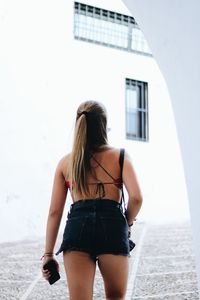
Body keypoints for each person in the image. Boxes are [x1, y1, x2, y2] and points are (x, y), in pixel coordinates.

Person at [41, 100, 143, 300]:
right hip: (112, 227)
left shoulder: (65, 163)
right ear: (103, 125)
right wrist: (127, 223)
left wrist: (48, 254)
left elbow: (55, 211)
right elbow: (137, 198)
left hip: (77, 229)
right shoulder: (120, 157)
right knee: (115, 296)